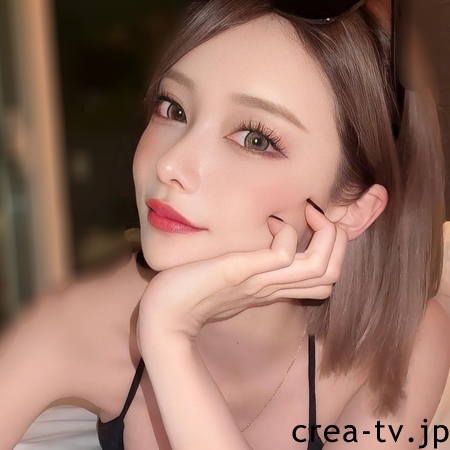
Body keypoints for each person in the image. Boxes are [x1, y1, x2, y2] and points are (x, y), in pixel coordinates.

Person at [1, 0, 449, 449]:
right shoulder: (76, 326)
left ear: (353, 208)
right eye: (173, 108)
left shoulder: (403, 345)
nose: (170, 164)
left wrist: (168, 336)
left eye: (255, 139)